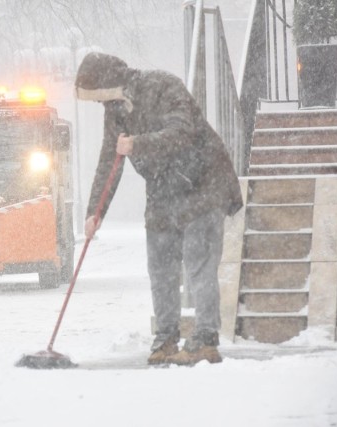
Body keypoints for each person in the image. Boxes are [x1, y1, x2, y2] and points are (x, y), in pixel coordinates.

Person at [74, 52, 243, 365]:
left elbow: (183, 132)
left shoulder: (162, 85)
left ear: (109, 87)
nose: (100, 106)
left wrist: (137, 143)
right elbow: (107, 162)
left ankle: (206, 338)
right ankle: (166, 337)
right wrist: (94, 212)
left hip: (203, 182)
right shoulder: (115, 112)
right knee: (160, 266)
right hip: (164, 188)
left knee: (198, 263)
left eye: (99, 98)